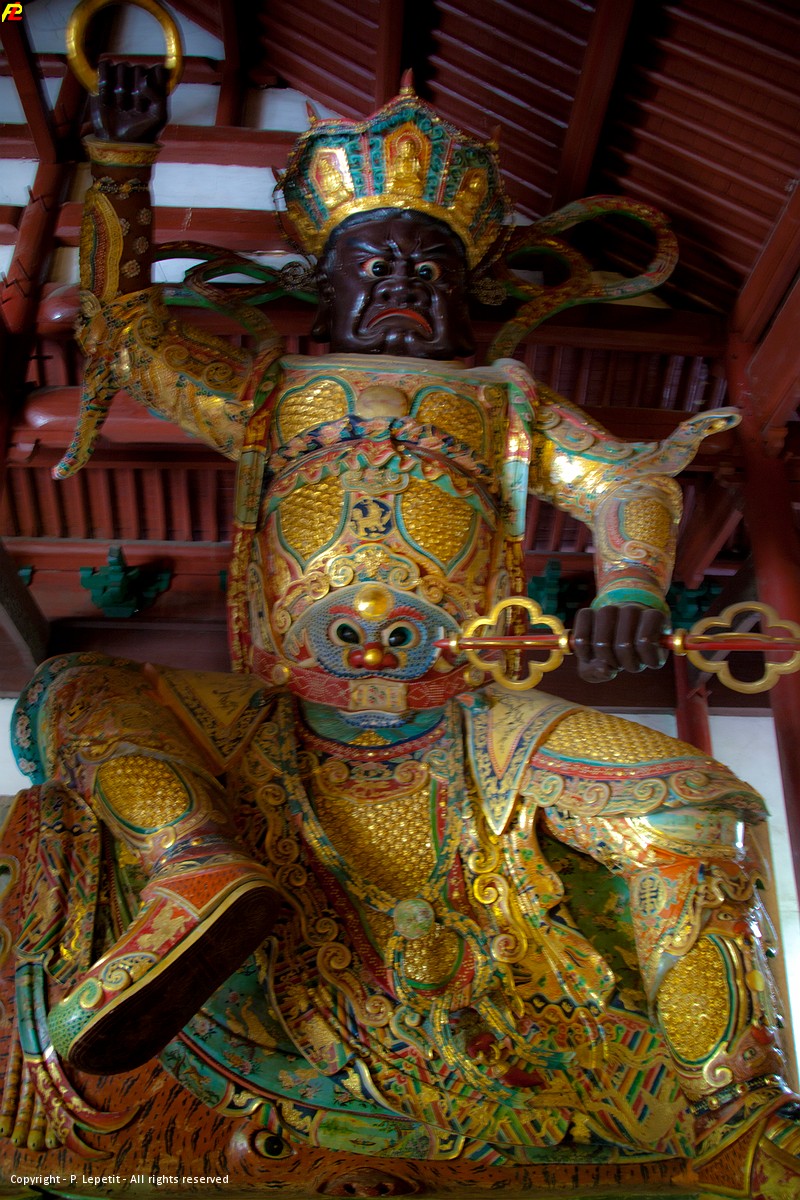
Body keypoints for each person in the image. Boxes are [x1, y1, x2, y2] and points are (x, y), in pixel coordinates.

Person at [2, 61, 798, 1197]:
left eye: (429, 267)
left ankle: (737, 1110)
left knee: (692, 801)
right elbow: (126, 331)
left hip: (470, 722)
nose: (403, 283)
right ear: (323, 284)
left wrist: (627, 588)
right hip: (280, 712)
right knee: (75, 692)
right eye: (373, 264)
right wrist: (121, 171)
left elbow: (628, 480)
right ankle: (193, 867)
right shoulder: (265, 393)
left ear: (467, 290)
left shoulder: (506, 401)